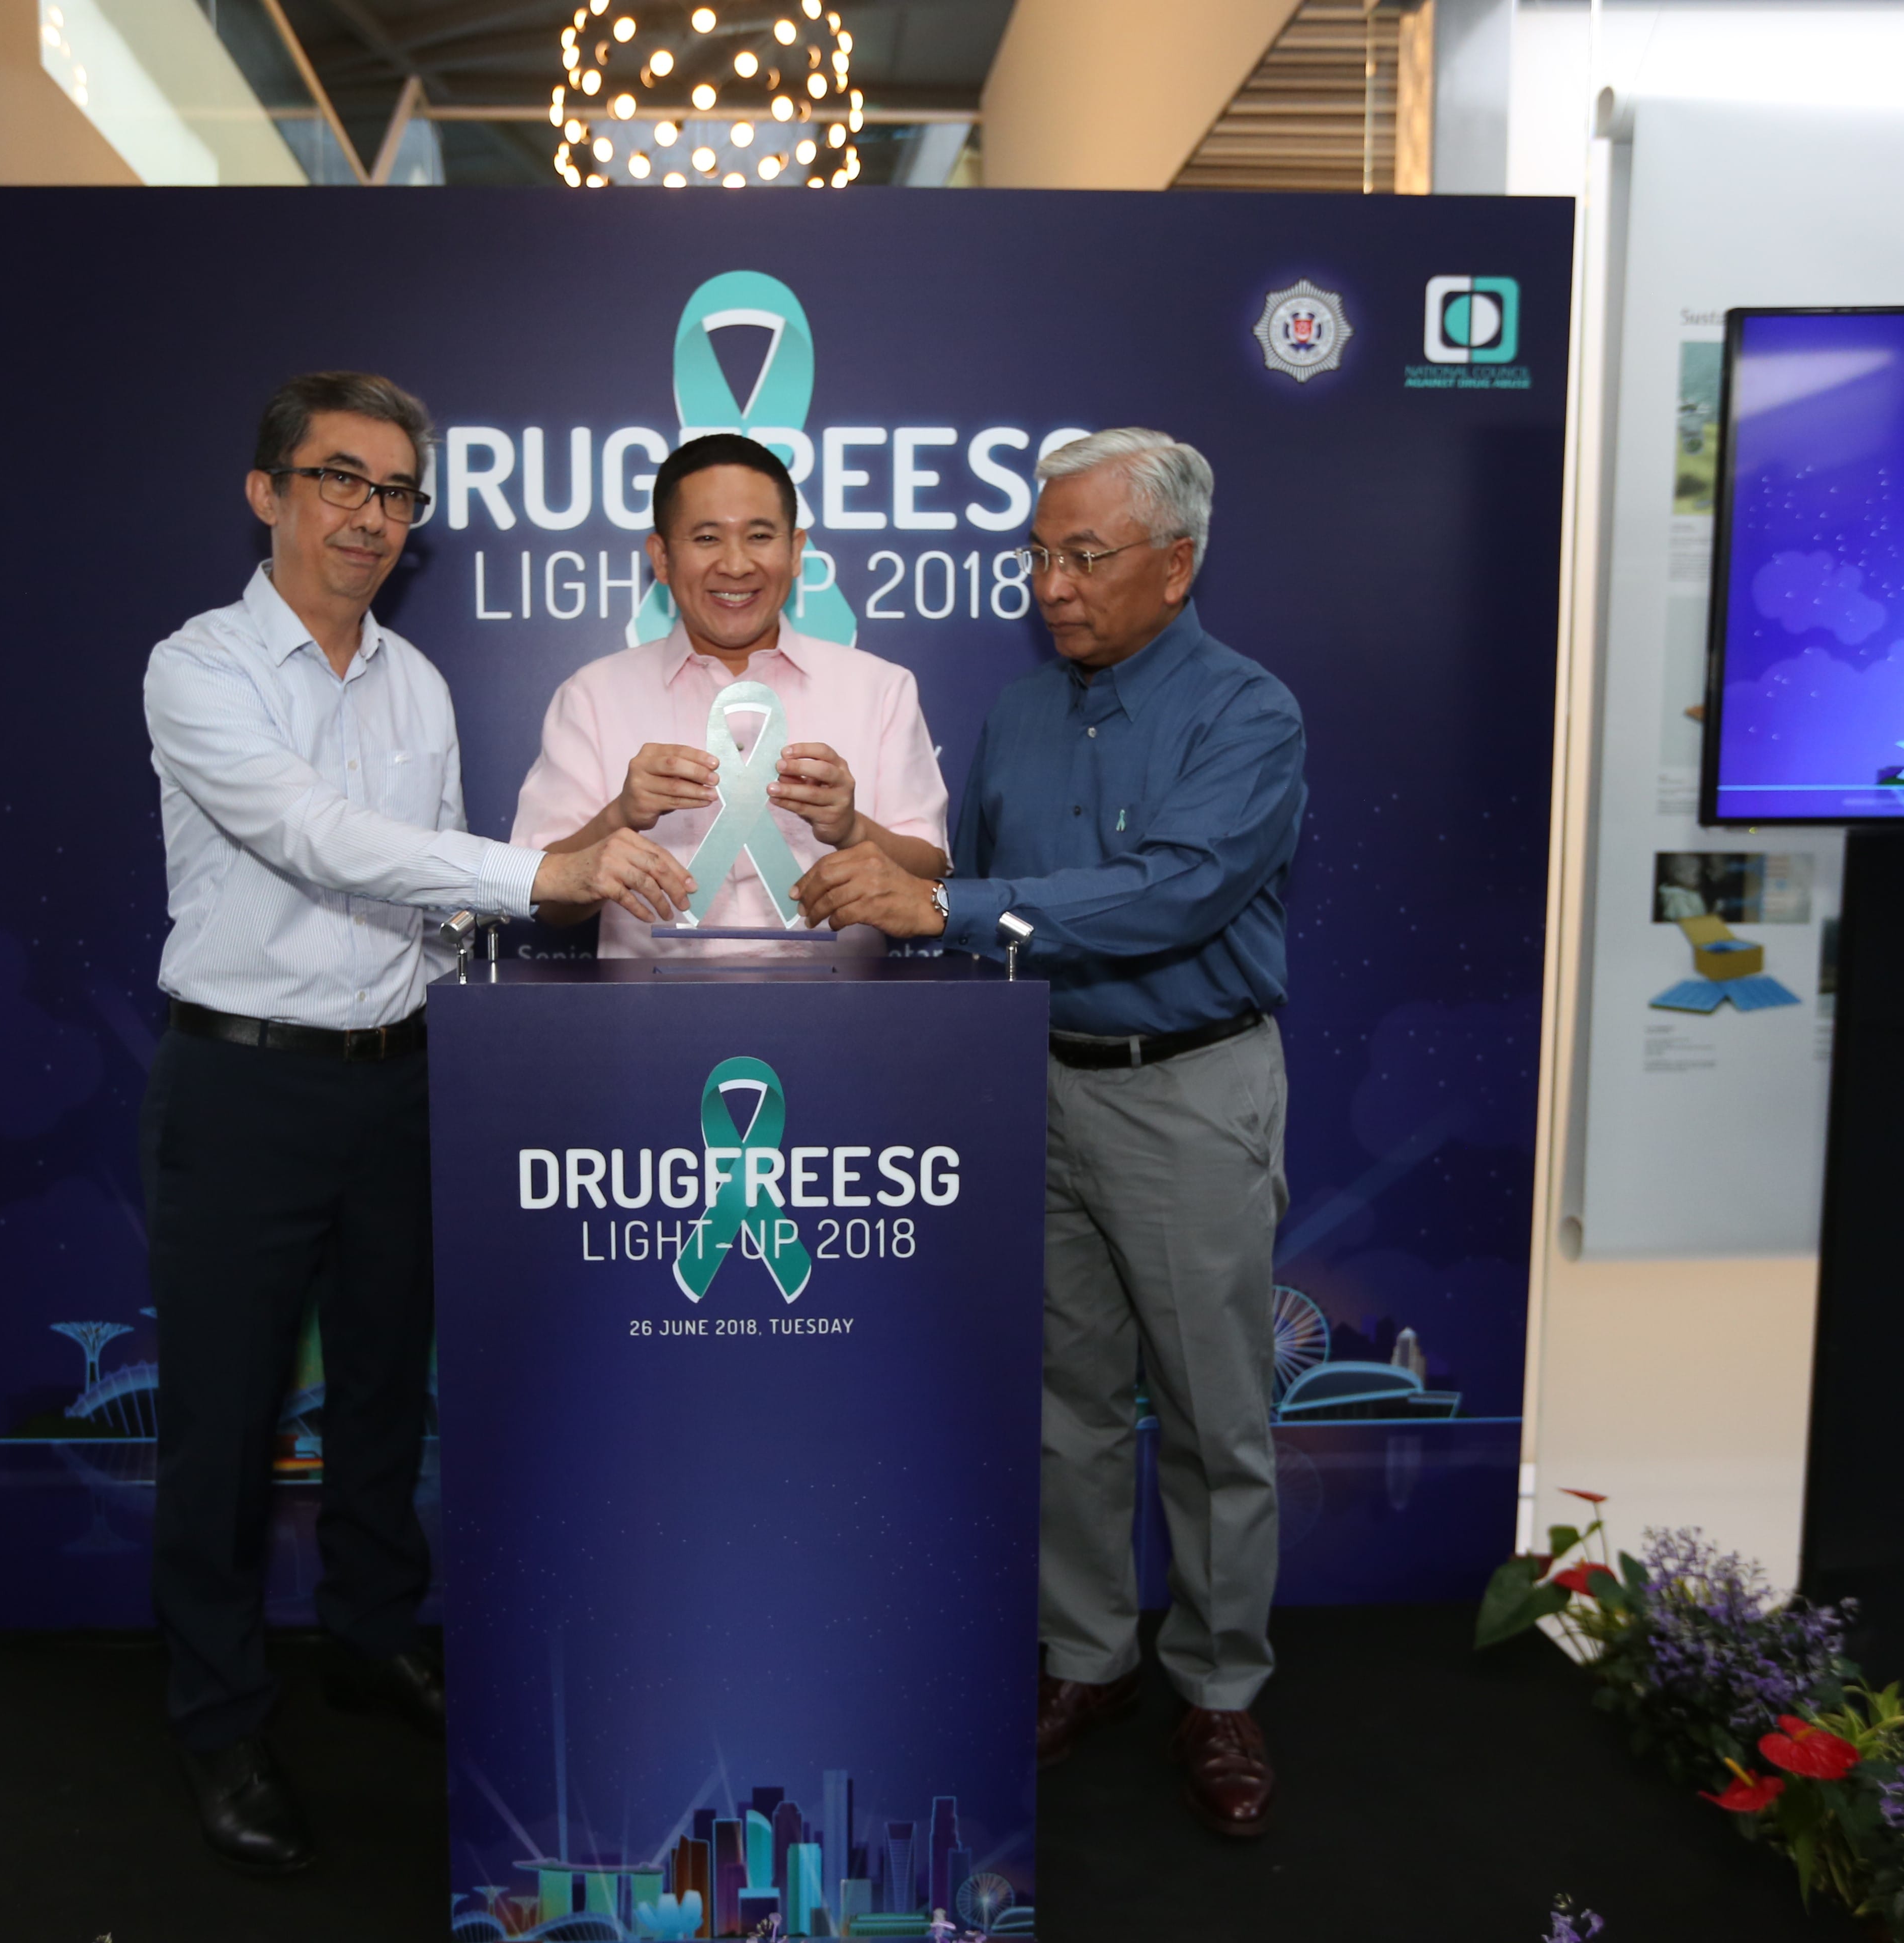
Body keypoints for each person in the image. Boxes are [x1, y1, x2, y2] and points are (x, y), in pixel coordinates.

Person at [139, 371, 692, 1876]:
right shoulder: (200, 669)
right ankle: (217, 1710)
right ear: (268, 491)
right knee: (226, 1420)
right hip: (247, 1082)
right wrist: (556, 875)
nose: (368, 516)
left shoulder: (419, 682)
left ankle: (370, 1637)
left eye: (394, 492)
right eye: (337, 479)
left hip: (402, 1078)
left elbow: (437, 899)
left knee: (388, 1387)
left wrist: (496, 984)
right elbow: (320, 839)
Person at [795, 428, 1304, 1841]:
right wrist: (875, 841)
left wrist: (940, 912)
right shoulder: (1021, 714)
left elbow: (1169, 896)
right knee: (1068, 1408)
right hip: (1042, 1080)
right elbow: (978, 875)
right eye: (1038, 553)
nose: (1053, 584)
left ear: (1177, 564)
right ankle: (1092, 1660)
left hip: (1190, 1088)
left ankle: (1219, 1687)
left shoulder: (1246, 715)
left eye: (1084, 555)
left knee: (1212, 1418)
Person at [510, 432, 948, 957]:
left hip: (841, 1018)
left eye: (760, 536)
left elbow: (931, 879)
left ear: (796, 550)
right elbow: (540, 896)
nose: (736, 565)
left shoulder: (880, 689)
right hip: (649, 1019)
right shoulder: (592, 697)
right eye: (707, 538)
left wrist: (852, 827)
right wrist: (619, 814)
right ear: (662, 557)